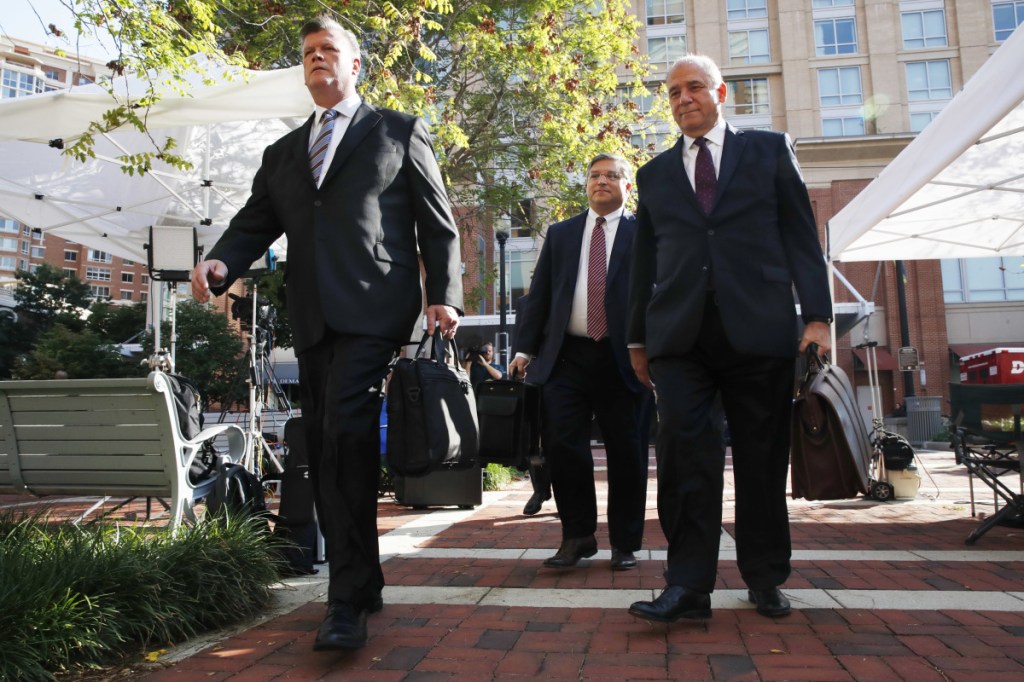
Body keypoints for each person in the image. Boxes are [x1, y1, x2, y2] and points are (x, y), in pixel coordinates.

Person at [190, 15, 463, 651]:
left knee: (342, 432)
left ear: (355, 64)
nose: (317, 59)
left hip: (374, 313)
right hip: (312, 319)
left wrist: (443, 297)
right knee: (329, 445)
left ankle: (344, 601)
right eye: (309, 52)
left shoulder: (398, 130)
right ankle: (362, 582)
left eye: (329, 50)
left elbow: (439, 223)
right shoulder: (283, 154)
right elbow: (254, 222)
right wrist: (221, 261)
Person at [626, 54, 832, 623]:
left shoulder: (768, 150)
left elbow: (800, 236)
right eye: (672, 93)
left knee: (762, 460)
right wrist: (636, 339)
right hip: (680, 337)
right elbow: (645, 263)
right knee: (684, 456)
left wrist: (817, 316)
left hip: (758, 329)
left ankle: (765, 577)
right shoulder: (653, 174)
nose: (682, 99)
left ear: (720, 91)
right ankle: (688, 586)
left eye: (693, 88)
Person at [510, 153, 652, 572]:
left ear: (628, 186)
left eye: (612, 175)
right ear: (586, 184)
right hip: (567, 358)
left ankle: (625, 543)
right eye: (595, 175)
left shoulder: (645, 232)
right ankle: (578, 536)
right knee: (563, 447)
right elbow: (541, 296)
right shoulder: (562, 233)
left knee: (627, 452)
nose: (602, 181)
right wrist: (524, 349)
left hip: (626, 358)